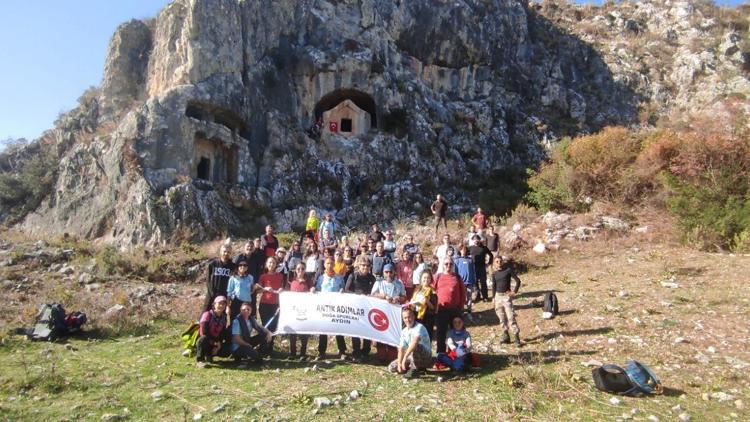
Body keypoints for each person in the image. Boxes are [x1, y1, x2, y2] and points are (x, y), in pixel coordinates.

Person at [312, 257, 347, 360]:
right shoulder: (321, 278)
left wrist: (342, 290)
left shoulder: (339, 278)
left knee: (338, 328)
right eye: (328, 263)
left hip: (336, 307)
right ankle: (321, 352)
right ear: (324, 265)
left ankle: (342, 351)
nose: (330, 265)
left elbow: (344, 289)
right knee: (323, 329)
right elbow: (318, 289)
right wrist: (314, 290)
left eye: (332, 263)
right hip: (324, 307)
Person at [433, 257, 466, 355]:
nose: (448, 266)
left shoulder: (457, 277)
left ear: (453, 266)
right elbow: (431, 291)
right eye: (446, 264)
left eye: (450, 264)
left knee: (457, 332)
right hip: (441, 309)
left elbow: (462, 293)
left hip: (455, 309)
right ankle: (441, 355)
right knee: (441, 333)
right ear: (442, 265)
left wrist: (461, 307)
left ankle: (455, 354)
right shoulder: (438, 277)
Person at [345, 259, 376, 360]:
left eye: (367, 266)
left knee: (367, 328)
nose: (365, 267)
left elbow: (375, 292)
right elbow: (347, 290)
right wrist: (358, 296)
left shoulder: (372, 278)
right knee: (356, 329)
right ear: (359, 266)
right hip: (355, 307)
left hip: (368, 307)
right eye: (363, 265)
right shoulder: (352, 276)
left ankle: (366, 350)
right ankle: (356, 351)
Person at [388, 307, 432, 377]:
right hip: (411, 357)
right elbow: (401, 348)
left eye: (409, 317)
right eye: (405, 318)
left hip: (425, 357)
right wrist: (400, 363)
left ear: (414, 317)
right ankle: (413, 368)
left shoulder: (419, 327)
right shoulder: (404, 331)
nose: (407, 320)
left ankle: (415, 369)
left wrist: (405, 357)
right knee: (392, 367)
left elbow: (415, 342)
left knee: (417, 346)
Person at [491, 256, 522, 347]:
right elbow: (493, 286)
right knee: (501, 317)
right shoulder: (494, 274)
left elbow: (518, 281)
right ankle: (506, 336)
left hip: (506, 296)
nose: (499, 263)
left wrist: (514, 292)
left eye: (500, 261)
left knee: (511, 317)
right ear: (494, 263)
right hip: (498, 297)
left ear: (502, 262)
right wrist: (493, 298)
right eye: (497, 261)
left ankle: (516, 337)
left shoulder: (508, 271)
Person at [258, 257, 284, 353]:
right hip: (264, 304)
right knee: (265, 326)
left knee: (273, 327)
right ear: (266, 264)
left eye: (273, 262)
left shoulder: (280, 276)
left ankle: (270, 348)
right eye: (269, 262)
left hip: (276, 305)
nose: (271, 264)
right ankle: (263, 347)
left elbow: (283, 288)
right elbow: (258, 290)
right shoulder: (263, 276)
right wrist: (265, 289)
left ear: (276, 264)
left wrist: (282, 289)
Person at [196, 296, 231, 366]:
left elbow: (222, 333)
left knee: (227, 350)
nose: (221, 306)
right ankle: (200, 360)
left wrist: (218, 345)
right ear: (214, 304)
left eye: (223, 304)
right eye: (219, 303)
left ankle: (209, 355)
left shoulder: (224, 318)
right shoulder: (207, 314)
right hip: (206, 340)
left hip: (215, 341)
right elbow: (204, 332)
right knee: (203, 339)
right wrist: (215, 342)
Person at [202, 244, 237, 312]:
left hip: (224, 294)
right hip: (212, 294)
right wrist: (211, 292)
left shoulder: (233, 266)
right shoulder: (212, 264)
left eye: (228, 252)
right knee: (206, 313)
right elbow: (208, 280)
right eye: (224, 251)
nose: (226, 253)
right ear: (220, 252)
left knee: (222, 314)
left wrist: (230, 295)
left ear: (231, 253)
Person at [288, 263, 310, 359]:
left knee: (304, 332)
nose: (300, 270)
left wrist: (312, 289)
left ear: (305, 270)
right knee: (293, 332)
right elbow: (286, 293)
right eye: (298, 269)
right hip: (293, 310)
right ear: (295, 270)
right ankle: (292, 353)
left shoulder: (308, 282)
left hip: (305, 310)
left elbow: (313, 290)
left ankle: (303, 353)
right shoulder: (291, 281)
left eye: (302, 268)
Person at [410, 269, 437, 341]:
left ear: (431, 279)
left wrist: (427, 301)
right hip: (416, 316)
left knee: (426, 338)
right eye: (424, 277)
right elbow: (412, 303)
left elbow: (433, 308)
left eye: (428, 278)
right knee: (416, 338)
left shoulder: (432, 291)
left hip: (427, 318)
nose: (426, 279)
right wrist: (411, 302)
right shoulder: (417, 289)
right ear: (421, 278)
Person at [454, 246, 477, 320]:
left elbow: (473, 271)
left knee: (469, 297)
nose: (463, 251)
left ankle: (469, 311)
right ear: (460, 251)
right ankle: (462, 311)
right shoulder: (457, 260)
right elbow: (455, 272)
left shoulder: (470, 260)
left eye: (465, 250)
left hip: (469, 282)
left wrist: (474, 280)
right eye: (462, 250)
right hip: (461, 282)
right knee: (461, 297)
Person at [469, 235, 493, 303]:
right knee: (475, 283)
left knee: (483, 283)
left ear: (479, 240)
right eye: (474, 239)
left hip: (482, 267)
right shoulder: (470, 248)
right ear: (472, 240)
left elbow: (491, 255)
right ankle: (478, 296)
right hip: (473, 268)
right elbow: (463, 253)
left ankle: (485, 297)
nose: (476, 240)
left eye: (477, 239)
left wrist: (489, 263)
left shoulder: (484, 248)